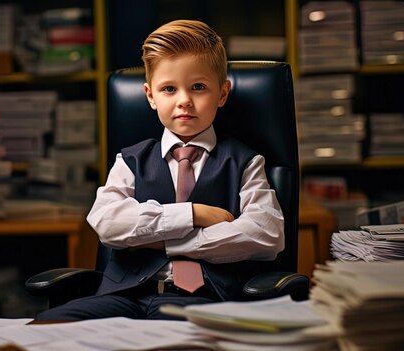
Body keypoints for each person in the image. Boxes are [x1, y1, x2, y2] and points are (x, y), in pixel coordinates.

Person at [36, 19, 284, 321]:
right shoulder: (130, 160)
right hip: (122, 295)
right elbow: (107, 223)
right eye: (169, 89)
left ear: (222, 93)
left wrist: (159, 239)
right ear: (150, 96)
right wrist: (193, 215)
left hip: (201, 300)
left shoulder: (245, 162)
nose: (184, 101)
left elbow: (266, 234)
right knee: (47, 328)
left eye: (199, 87)